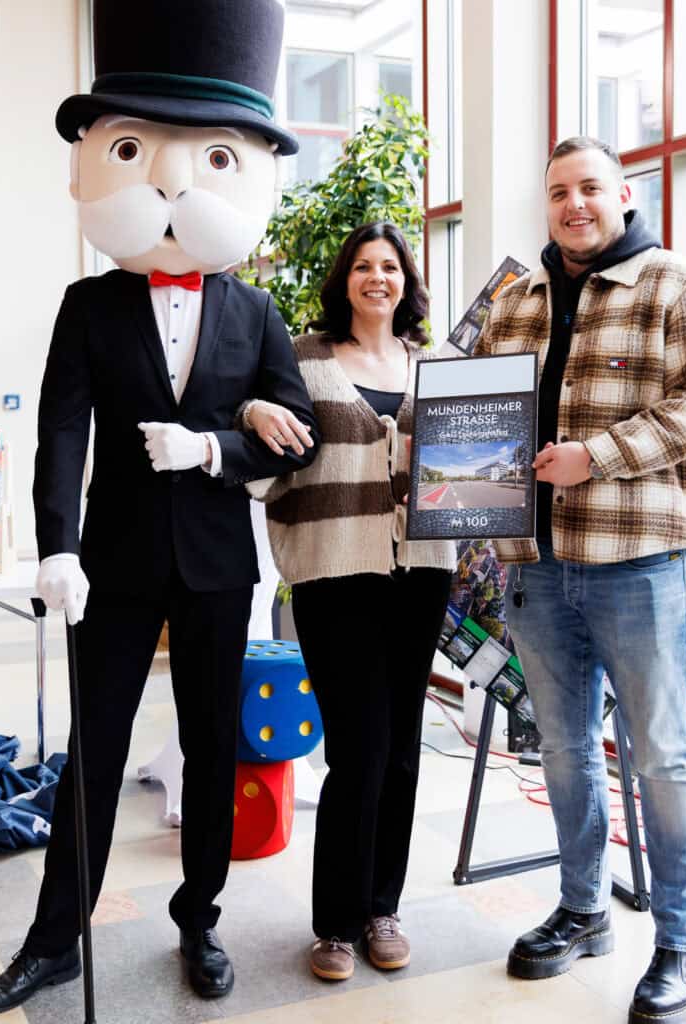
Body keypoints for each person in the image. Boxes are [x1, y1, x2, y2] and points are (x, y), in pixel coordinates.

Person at [0, 1, 319, 1016]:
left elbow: (297, 428)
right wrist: (58, 546)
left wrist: (213, 449)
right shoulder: (88, 303)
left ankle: (199, 916)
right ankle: (54, 939)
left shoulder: (257, 310)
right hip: (111, 563)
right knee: (95, 751)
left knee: (211, 744)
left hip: (216, 563)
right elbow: (61, 431)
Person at [474, 136, 686, 1024]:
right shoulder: (515, 302)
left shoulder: (676, 283)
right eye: (558, 191)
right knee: (562, 750)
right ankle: (582, 910)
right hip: (535, 565)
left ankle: (680, 942)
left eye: (589, 187)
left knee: (662, 756)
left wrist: (597, 455)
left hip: (639, 560)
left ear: (623, 194)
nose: (573, 204)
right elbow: (477, 417)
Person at [244, 222, 457, 982]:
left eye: (390, 267)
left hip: (423, 569)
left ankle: (381, 909)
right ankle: (335, 923)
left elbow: (470, 465)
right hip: (334, 571)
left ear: (406, 282)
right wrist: (250, 414)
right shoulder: (302, 357)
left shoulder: (436, 367)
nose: (377, 278)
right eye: (363, 266)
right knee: (357, 749)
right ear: (344, 280)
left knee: (400, 748)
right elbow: (255, 439)